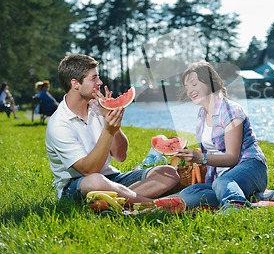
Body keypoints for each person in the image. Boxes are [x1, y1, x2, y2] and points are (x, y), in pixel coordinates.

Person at [45, 54, 180, 205]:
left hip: (111, 178)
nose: (100, 82)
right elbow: (89, 171)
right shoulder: (59, 124)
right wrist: (108, 130)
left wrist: (110, 122)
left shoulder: (97, 108)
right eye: (94, 78)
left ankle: (114, 200)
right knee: (95, 181)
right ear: (75, 84)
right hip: (76, 186)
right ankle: (152, 204)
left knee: (168, 173)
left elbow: (120, 156)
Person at [174, 61, 268, 211]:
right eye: (187, 87)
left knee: (222, 183)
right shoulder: (201, 115)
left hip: (250, 167)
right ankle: (252, 196)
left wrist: (201, 158)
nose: (190, 91)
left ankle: (236, 206)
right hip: (221, 178)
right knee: (188, 194)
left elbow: (232, 157)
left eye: (194, 84)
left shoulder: (230, 110)